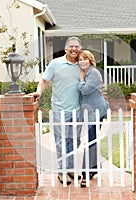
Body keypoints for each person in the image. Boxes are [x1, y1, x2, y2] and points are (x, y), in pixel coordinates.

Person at [29, 37, 82, 185]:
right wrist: (38, 92)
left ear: (80, 49)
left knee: (74, 142)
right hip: (59, 110)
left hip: (76, 110)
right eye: (71, 46)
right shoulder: (55, 63)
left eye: (76, 46)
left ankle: (70, 168)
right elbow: (44, 80)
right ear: (66, 49)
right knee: (61, 142)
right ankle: (62, 172)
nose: (74, 49)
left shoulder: (82, 64)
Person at [77, 50, 109, 187]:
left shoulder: (93, 73)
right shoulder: (86, 73)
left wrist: (80, 82)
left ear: (90, 60)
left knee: (90, 141)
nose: (82, 61)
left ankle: (85, 174)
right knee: (92, 140)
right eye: (80, 59)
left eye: (85, 59)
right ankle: (94, 167)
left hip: (97, 111)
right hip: (90, 112)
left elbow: (85, 90)